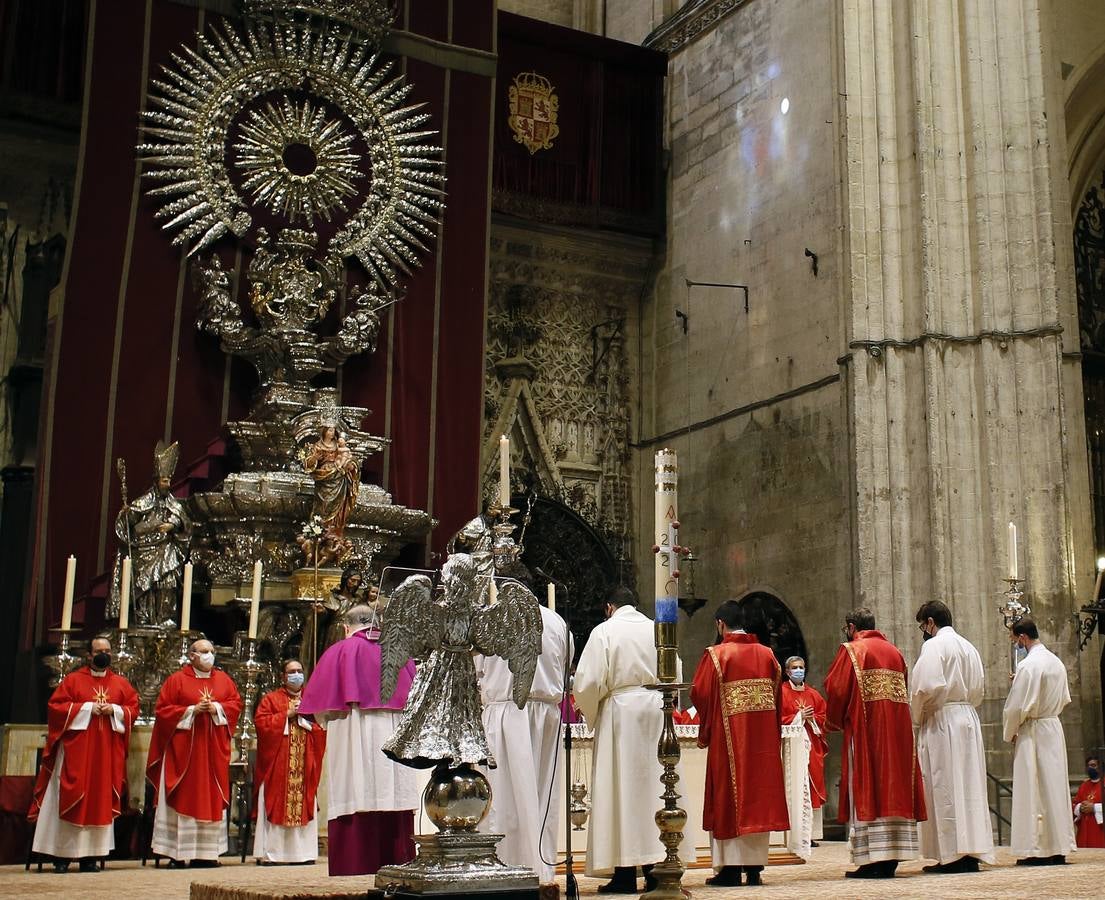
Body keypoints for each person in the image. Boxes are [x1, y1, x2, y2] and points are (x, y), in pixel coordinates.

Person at [573, 586, 694, 894]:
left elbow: (587, 681)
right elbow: (676, 669)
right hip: (656, 710)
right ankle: (657, 870)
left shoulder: (604, 631)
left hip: (621, 714)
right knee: (656, 789)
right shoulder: (657, 629)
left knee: (621, 791)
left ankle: (625, 874)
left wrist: (590, 711)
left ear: (609, 607)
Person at [297, 604, 419, 876]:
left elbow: (320, 710)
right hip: (395, 736)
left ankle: (356, 863)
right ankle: (397, 860)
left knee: (355, 786)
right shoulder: (400, 651)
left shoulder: (340, 651)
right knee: (393, 789)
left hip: (352, 732)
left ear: (346, 627)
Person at [477, 584, 573, 883]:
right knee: (542, 794)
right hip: (546, 713)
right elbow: (566, 663)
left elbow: (477, 669)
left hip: (506, 712)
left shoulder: (492, 617)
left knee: (503, 794)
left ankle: (504, 866)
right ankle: (540, 867)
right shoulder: (556, 621)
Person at [690, 600, 789, 888]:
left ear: (720, 624)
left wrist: (707, 729)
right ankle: (755, 868)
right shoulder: (768, 655)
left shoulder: (717, 655)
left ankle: (730, 870)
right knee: (758, 794)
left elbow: (700, 694)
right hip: (762, 744)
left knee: (728, 794)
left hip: (728, 741)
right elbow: (778, 699)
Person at [824, 607, 926, 878]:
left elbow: (836, 689)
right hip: (898, 733)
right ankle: (892, 856)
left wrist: (833, 719)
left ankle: (872, 859)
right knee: (894, 785)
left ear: (851, 626)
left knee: (867, 784)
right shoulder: (895, 652)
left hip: (866, 731)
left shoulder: (852, 651)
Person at [28, 636, 139, 872]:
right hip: (76, 753)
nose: (104, 654)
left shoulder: (120, 683)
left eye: (107, 650)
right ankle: (62, 856)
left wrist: (114, 710)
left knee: (99, 800)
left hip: (105, 755)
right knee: (70, 797)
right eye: (99, 651)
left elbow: (132, 709)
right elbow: (56, 708)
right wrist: (88, 708)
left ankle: (90, 856)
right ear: (89, 655)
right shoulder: (73, 680)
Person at [909, 600, 994, 873]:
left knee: (944, 784)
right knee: (969, 786)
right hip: (967, 717)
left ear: (930, 623)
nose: (923, 632)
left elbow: (924, 688)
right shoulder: (969, 647)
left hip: (942, 719)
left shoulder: (934, 646)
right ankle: (971, 850)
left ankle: (951, 855)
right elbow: (979, 689)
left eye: (923, 626)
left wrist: (916, 716)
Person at [147, 638, 242, 867]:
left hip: (212, 753)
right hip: (183, 753)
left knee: (210, 799)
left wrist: (216, 708)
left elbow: (235, 705)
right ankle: (177, 854)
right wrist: (191, 710)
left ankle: (206, 855)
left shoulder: (224, 680)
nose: (209, 655)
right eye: (203, 651)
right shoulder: (177, 680)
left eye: (211, 650)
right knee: (182, 797)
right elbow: (163, 711)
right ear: (192, 656)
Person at [1002, 617, 1076, 865]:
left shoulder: (1028, 666)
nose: (1016, 644)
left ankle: (1037, 849)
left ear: (1023, 637)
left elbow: (1016, 707)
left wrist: (1010, 731)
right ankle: (1058, 846)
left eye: (1015, 639)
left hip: (1033, 729)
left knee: (1034, 788)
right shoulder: (1056, 662)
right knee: (1053, 787)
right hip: (1052, 726)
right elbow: (1064, 698)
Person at [253, 659, 326, 865]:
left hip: (304, 762)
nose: (296, 675)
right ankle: (274, 854)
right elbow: (262, 724)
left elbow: (322, 728)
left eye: (299, 671)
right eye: (291, 671)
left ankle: (304, 854)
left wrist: (304, 721)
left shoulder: (312, 699)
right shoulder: (271, 699)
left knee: (303, 801)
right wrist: (287, 715)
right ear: (283, 676)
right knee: (277, 800)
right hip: (278, 764)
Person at [110, 440, 192, 626]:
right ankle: (144, 619)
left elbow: (184, 522)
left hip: (166, 551)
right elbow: (129, 523)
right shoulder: (144, 501)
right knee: (145, 586)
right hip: (144, 552)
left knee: (168, 583)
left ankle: (165, 619)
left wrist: (172, 524)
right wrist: (127, 514)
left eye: (169, 480)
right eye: (164, 480)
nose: (168, 484)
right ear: (156, 481)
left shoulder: (172, 503)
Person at [779, 654, 828, 845]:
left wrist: (812, 718)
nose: (798, 671)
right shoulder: (781, 693)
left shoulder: (813, 694)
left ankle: (811, 834)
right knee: (795, 785)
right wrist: (798, 716)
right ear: (787, 671)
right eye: (795, 668)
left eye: (801, 667)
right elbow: (777, 718)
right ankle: (795, 832)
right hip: (792, 748)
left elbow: (824, 716)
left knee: (812, 786)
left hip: (811, 747)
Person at [1073, 754, 1104, 848]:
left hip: (1100, 831)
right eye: (1088, 766)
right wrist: (1080, 807)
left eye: (1093, 765)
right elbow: (1074, 804)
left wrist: (1094, 807)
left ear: (1100, 767)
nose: (1090, 768)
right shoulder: (1084, 785)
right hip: (1084, 829)